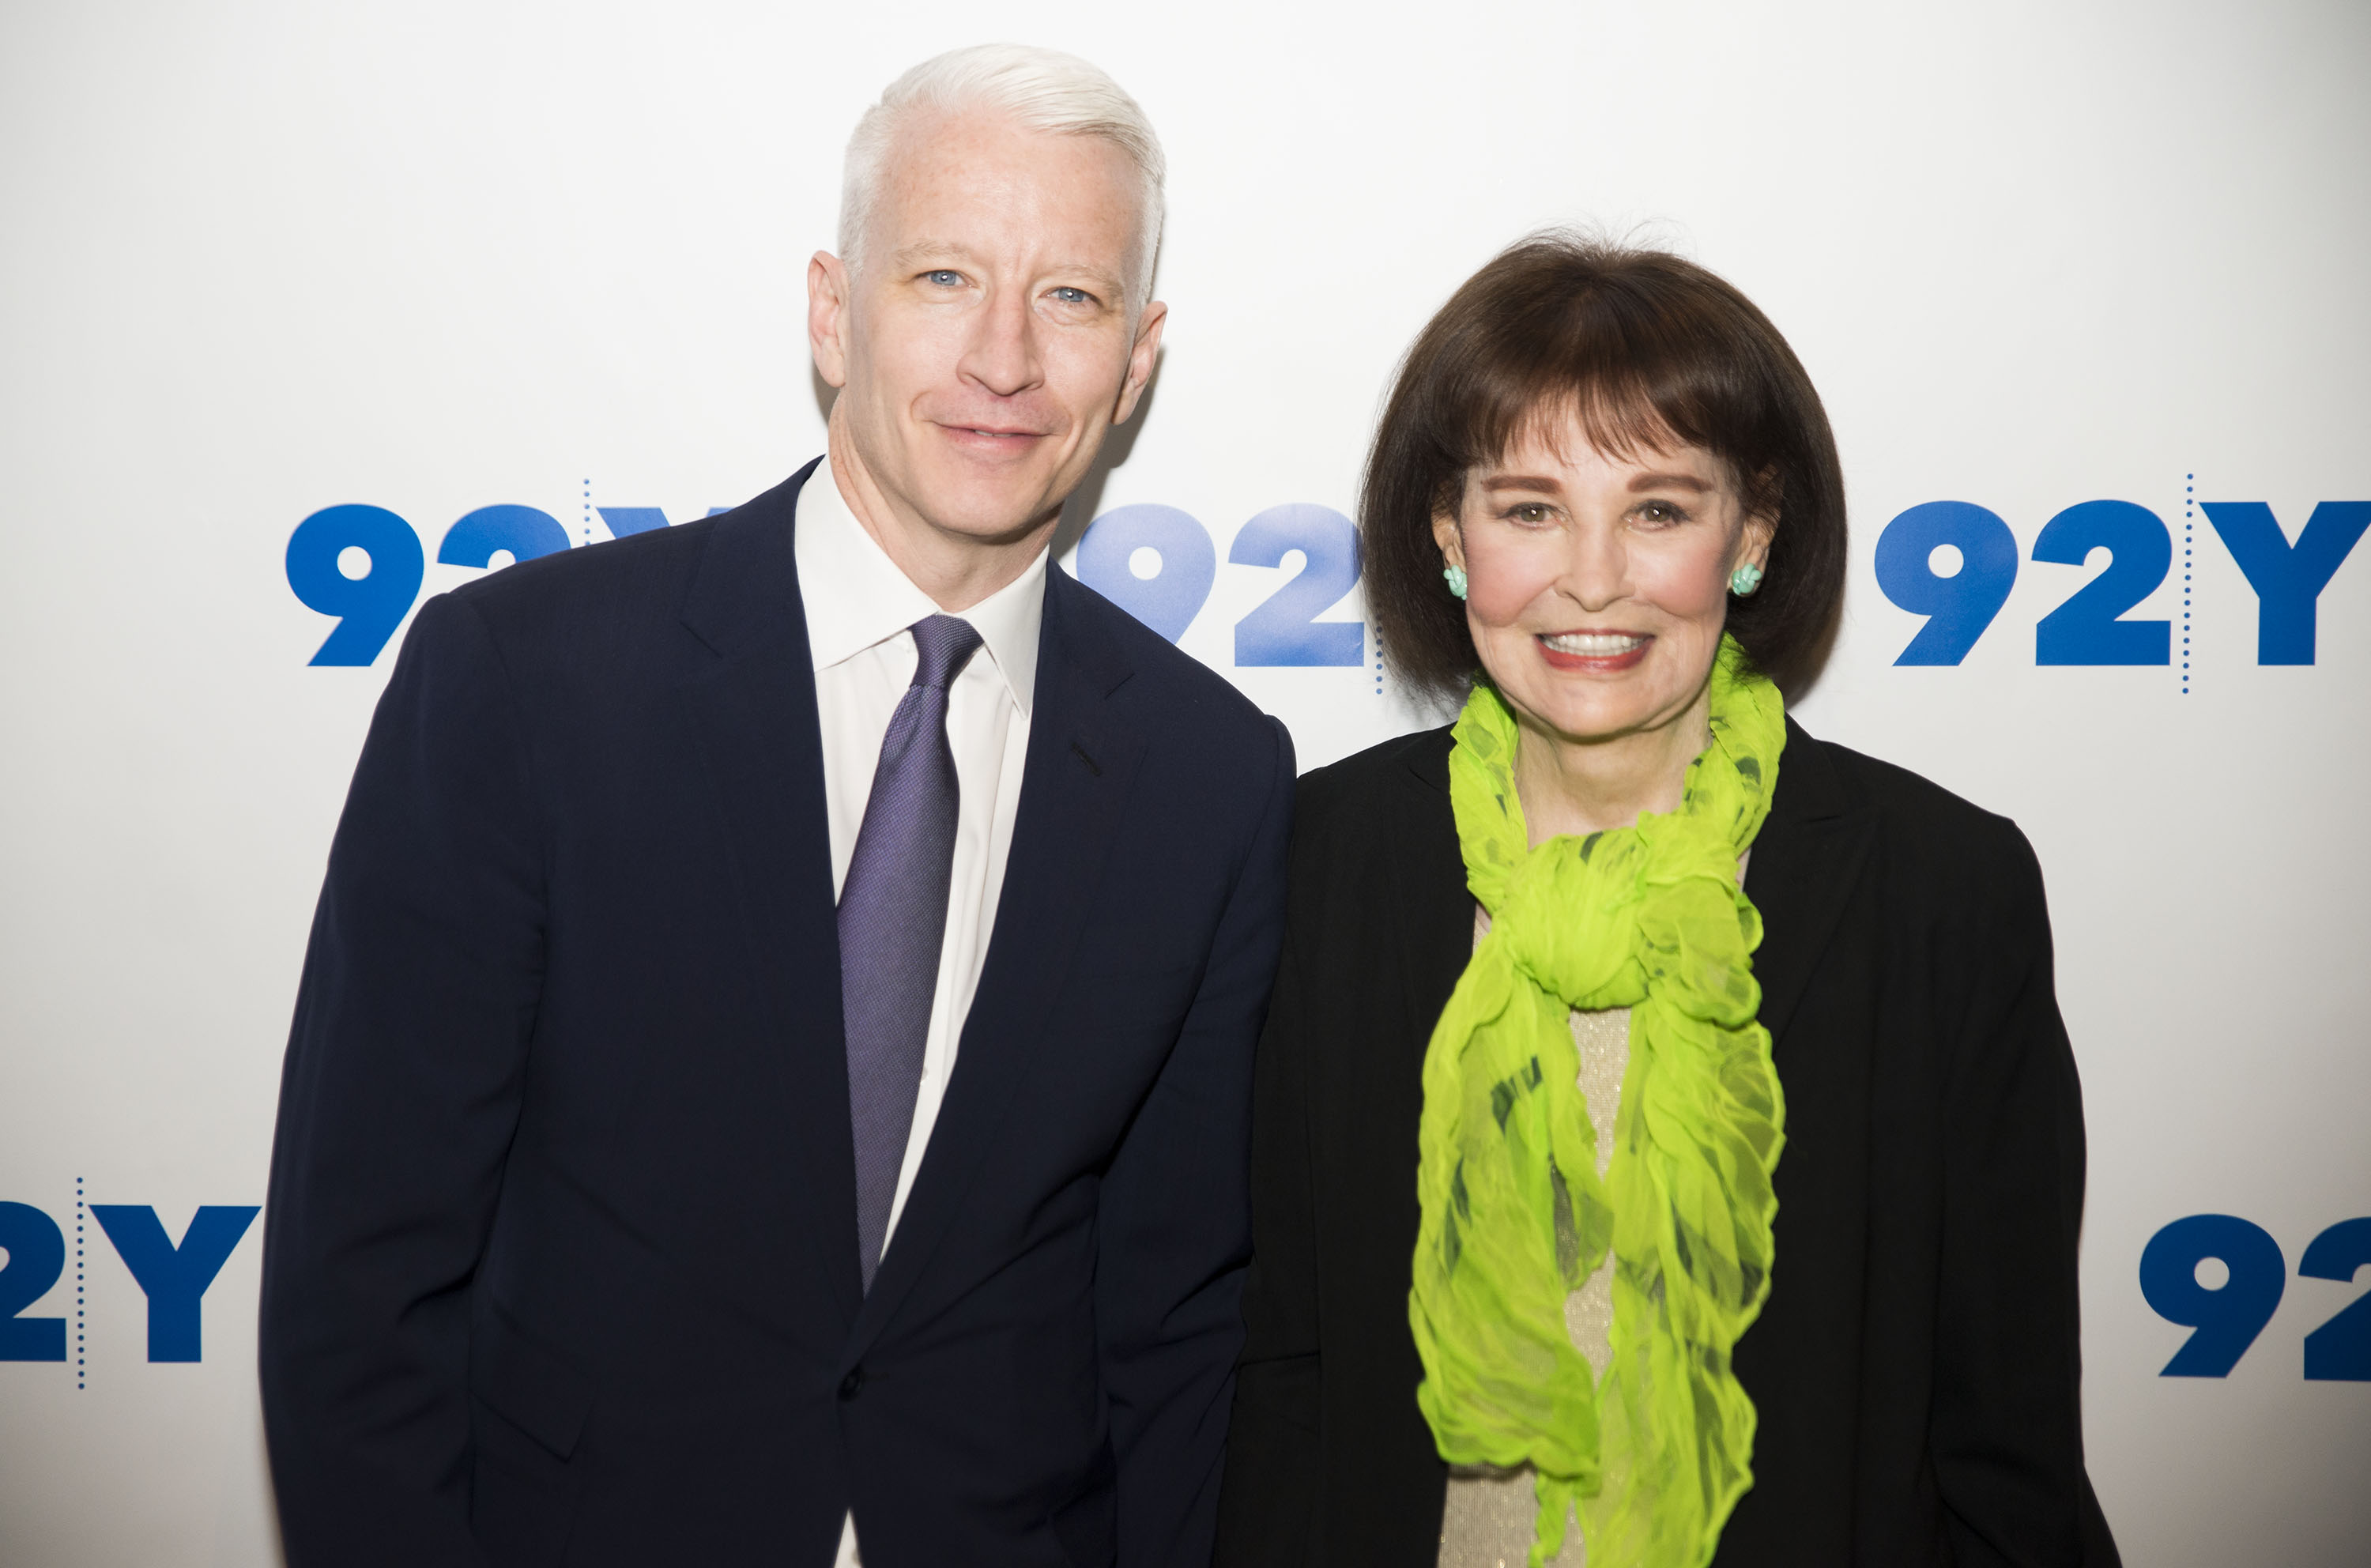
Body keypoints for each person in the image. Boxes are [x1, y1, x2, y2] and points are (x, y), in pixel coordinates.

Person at [259, 45, 1292, 1568]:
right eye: (944, 277)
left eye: (1070, 296)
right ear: (832, 310)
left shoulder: (1211, 776)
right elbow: (363, 1273)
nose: (1003, 358)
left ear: (1135, 362)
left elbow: (1174, 1322)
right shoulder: (525, 682)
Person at [1214, 236, 2119, 1567]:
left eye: (1657, 511)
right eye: (1530, 509)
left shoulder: (1940, 892)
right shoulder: (1317, 861)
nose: (1593, 578)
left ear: (1751, 534)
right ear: (1449, 535)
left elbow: (2004, 1438)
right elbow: (1277, 1376)